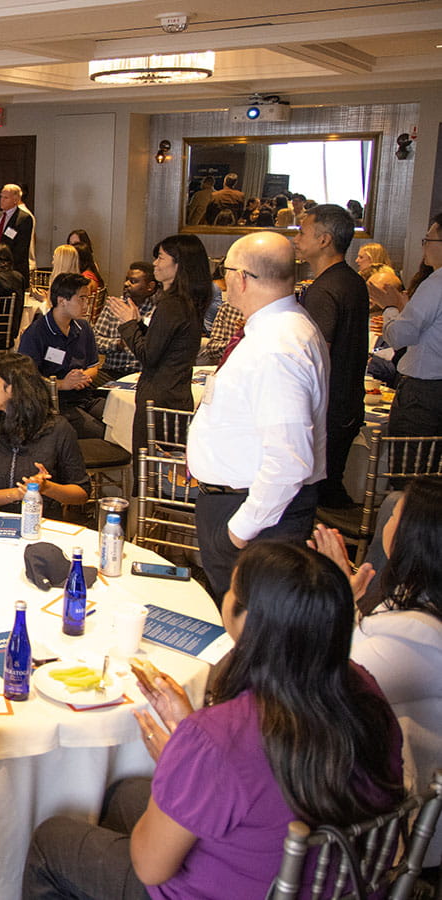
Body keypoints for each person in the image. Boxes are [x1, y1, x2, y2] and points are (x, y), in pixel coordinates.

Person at [23, 542, 405, 900]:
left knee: (51, 840)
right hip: (340, 882)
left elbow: (150, 866)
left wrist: (181, 756)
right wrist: (188, 751)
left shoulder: (220, 736)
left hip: (227, 890)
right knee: (122, 794)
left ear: (249, 619)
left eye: (232, 589)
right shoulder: (364, 689)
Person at [187, 231, 328, 600]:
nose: (224, 281)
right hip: (244, 504)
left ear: (242, 278)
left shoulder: (276, 346)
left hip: (257, 516)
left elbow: (290, 459)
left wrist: (239, 531)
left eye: (226, 270)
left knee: (253, 631)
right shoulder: (282, 328)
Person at [312, 477, 442, 869]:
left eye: (394, 516)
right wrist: (350, 600)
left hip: (396, 827)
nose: (386, 522)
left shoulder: (417, 637)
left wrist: (335, 593)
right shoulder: (420, 602)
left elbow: (324, 681)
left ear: (414, 539)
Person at [105, 234, 211, 450]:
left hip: (159, 397)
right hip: (175, 394)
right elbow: (165, 342)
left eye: (161, 258)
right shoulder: (187, 301)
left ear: (178, 263)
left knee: (150, 471)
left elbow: (148, 356)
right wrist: (137, 324)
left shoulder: (173, 304)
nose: (155, 263)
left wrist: (128, 324)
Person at [295, 204, 369, 508]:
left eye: (302, 231)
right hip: (347, 401)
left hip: (328, 407)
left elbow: (316, 355)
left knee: (315, 494)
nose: (296, 239)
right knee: (329, 486)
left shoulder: (325, 289)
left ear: (324, 240)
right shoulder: (351, 281)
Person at [0, 352, 90, 519]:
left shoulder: (58, 429)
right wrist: (18, 493)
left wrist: (46, 487)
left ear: (13, 389)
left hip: (41, 523)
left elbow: (81, 494)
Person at [370, 212, 442, 449]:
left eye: (428, 240)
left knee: (408, 467)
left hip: (424, 390)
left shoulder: (435, 283)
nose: (424, 247)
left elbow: (402, 335)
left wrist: (390, 307)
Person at [18, 272, 105, 439]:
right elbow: (28, 379)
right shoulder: (36, 333)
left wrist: (81, 378)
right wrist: (64, 384)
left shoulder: (83, 328)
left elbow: (93, 366)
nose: (87, 304)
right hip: (54, 402)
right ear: (62, 301)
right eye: (82, 299)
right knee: (101, 433)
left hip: (85, 395)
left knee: (121, 419)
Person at [93, 261, 158, 380]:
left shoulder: (157, 311)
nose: (126, 284)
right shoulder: (114, 306)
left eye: (133, 281)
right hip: (112, 371)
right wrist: (118, 344)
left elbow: (156, 348)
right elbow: (95, 340)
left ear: (150, 287)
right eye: (127, 279)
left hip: (141, 374)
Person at [0, 184, 33, 285]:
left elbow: (21, 248)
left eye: (6, 197)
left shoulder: (24, 218)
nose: (2, 200)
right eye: (1, 196)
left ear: (16, 200)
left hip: (13, 270)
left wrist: (4, 266)